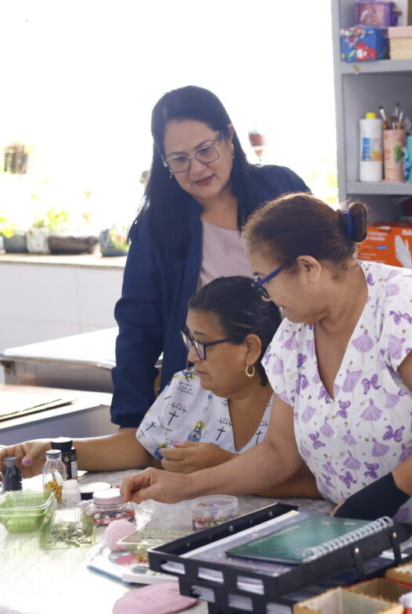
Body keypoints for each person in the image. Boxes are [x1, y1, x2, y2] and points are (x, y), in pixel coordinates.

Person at [121, 193, 412, 534]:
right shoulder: (292, 337)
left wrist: (387, 494)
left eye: (264, 281)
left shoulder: (404, 304)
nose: (264, 297)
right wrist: (184, 486)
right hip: (369, 527)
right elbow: (278, 453)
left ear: (308, 268)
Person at [0, 277, 320, 498]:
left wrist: (222, 466)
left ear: (249, 347)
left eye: (203, 344)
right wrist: (53, 452)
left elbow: (320, 485)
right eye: (188, 340)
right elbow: (141, 447)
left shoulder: (297, 400)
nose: (191, 356)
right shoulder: (189, 389)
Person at [112, 85, 309, 432]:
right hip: (207, 405)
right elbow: (137, 330)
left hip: (296, 389)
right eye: (180, 159)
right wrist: (131, 422)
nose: (197, 168)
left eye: (205, 150)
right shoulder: (156, 228)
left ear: (229, 137)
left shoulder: (279, 189)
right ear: (164, 161)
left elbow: (325, 275)